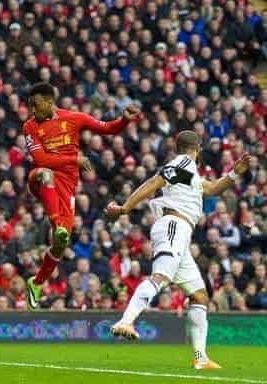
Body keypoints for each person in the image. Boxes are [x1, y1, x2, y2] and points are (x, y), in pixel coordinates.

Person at [105, 130, 251, 370]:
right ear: (198, 148)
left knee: (199, 295)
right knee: (161, 277)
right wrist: (124, 208)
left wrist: (235, 173)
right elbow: (155, 182)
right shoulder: (183, 162)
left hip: (182, 233)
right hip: (173, 225)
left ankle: (200, 357)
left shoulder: (190, 173)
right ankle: (126, 321)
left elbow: (212, 188)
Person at [24, 82, 140, 310]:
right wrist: (73, 159)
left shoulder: (73, 118)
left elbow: (108, 128)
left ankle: (36, 282)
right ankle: (57, 223)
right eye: (30, 106)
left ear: (49, 102)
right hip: (41, 179)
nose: (33, 111)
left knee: (60, 243)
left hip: (66, 187)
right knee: (45, 174)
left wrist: (124, 120)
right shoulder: (29, 126)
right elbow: (41, 161)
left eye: (36, 105)